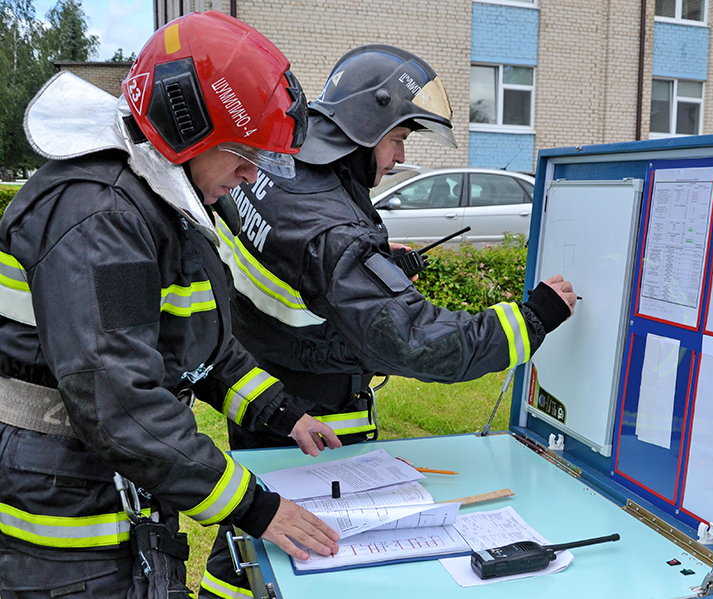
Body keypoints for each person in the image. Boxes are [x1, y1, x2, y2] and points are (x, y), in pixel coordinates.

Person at [202, 45, 576, 598]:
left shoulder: (273, 168)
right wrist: (533, 318)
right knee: (315, 555)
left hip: (265, 393)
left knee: (255, 545)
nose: (399, 159)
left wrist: (374, 271)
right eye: (397, 139)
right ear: (363, 127)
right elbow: (417, 341)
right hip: (318, 419)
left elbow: (298, 268)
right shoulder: (333, 233)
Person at [0, 11, 342, 599]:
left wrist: (285, 414)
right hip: (59, 511)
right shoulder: (101, 218)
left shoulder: (152, 201)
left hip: (99, 475)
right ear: (185, 129)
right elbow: (117, 401)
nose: (249, 174)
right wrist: (257, 508)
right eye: (243, 152)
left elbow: (194, 345)